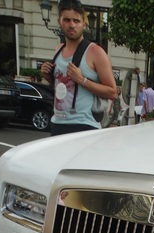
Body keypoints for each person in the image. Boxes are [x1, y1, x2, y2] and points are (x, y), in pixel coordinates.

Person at [39, 0, 117, 136]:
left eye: (76, 21)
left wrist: (82, 80)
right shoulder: (58, 50)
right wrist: (48, 77)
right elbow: (62, 89)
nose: (72, 25)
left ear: (83, 23)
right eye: (67, 20)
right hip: (57, 123)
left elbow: (112, 92)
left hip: (84, 126)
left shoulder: (95, 52)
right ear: (59, 21)